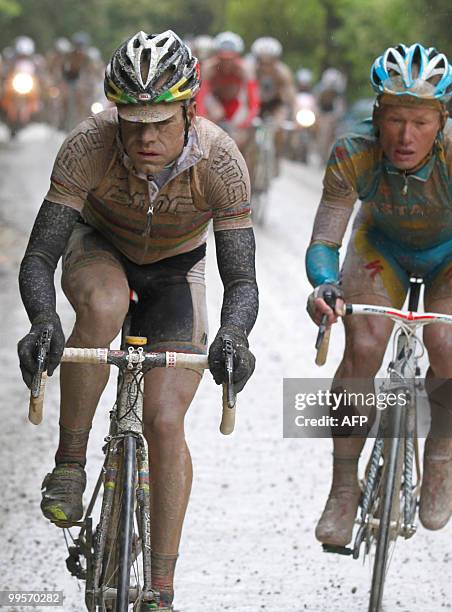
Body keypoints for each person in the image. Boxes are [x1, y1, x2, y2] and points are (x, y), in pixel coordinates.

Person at [17, 30, 258, 611]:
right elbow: (40, 256)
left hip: (178, 271)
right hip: (99, 249)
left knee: (165, 421)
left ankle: (161, 590)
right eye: (133, 119)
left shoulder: (221, 160)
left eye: (161, 120)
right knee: (102, 304)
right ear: (116, 114)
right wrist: (45, 319)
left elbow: (242, 280)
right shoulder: (87, 146)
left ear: (188, 111)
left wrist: (234, 336)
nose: (146, 136)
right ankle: (70, 464)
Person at [306, 43, 452, 546]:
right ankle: (343, 486)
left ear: (442, 119)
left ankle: (440, 453)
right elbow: (325, 240)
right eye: (397, 120)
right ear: (377, 115)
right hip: (379, 247)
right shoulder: (352, 150)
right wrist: (326, 284)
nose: (407, 136)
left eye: (422, 122)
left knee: (449, 349)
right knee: (362, 347)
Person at [195, 31, 259, 158]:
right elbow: (201, 95)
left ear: (237, 56)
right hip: (216, 103)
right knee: (213, 116)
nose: (226, 64)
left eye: (230, 59)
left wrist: (246, 122)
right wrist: (201, 118)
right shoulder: (209, 68)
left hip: (236, 104)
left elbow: (252, 99)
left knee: (240, 134)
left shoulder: (245, 69)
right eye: (222, 59)